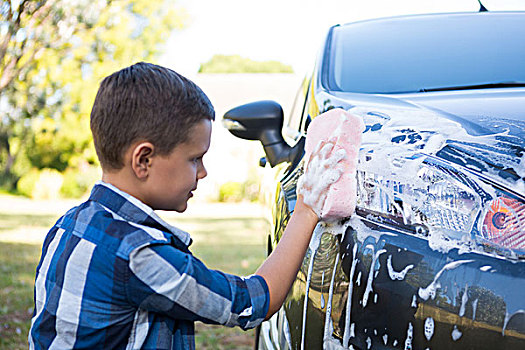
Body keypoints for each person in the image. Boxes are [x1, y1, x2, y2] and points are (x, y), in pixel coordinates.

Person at [28, 62, 344, 349]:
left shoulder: (67, 225)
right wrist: (306, 209)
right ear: (144, 160)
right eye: (195, 159)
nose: (203, 172)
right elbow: (250, 302)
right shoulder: (139, 255)